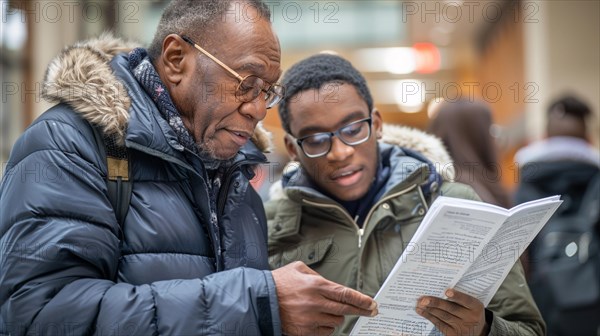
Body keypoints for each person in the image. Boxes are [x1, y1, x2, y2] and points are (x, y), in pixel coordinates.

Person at [0, 2, 378, 335]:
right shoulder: (68, 144)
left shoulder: (235, 170)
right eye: (246, 82)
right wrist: (257, 305)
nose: (259, 109)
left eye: (267, 90)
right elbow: (39, 315)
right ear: (177, 58)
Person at [265, 54, 545, 335]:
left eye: (353, 130)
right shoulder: (268, 227)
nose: (340, 152)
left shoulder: (455, 205)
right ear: (292, 148)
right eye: (315, 140)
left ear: (377, 124)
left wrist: (483, 329)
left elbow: (528, 329)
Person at [513, 95, 600, 336]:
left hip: (540, 306)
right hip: (589, 307)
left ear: (544, 138)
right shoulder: (596, 180)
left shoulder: (525, 185)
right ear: (589, 139)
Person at [427, 99, 512, 208]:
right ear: (479, 137)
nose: (495, 139)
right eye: (490, 130)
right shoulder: (463, 192)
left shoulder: (443, 184)